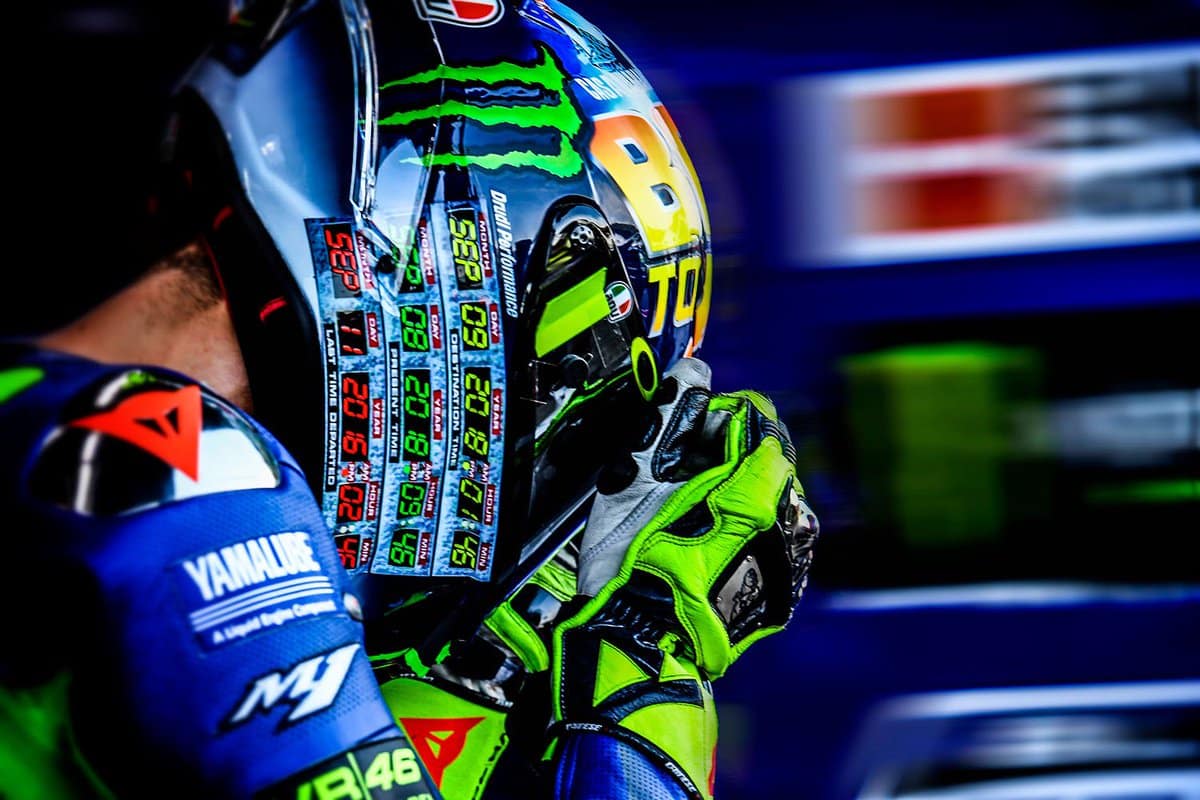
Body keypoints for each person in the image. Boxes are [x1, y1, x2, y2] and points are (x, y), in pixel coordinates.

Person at [0, 1, 818, 797]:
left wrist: (484, 667)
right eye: (536, 411)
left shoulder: (64, 432)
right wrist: (644, 646)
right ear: (435, 277)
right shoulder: (193, 469)